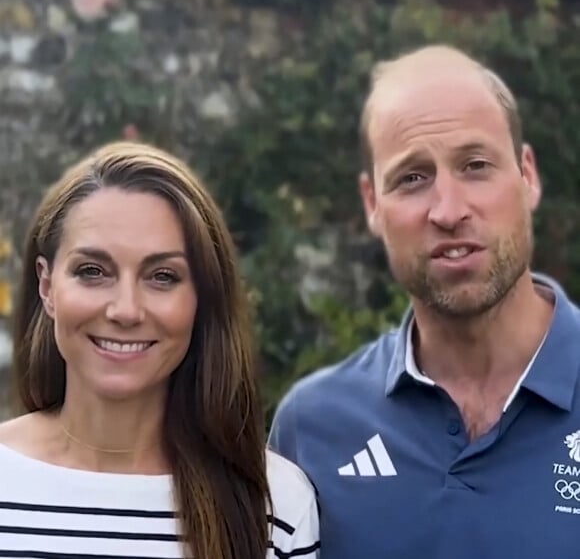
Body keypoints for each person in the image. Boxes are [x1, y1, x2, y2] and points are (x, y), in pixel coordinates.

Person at [269, 44, 580, 558]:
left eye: (476, 165)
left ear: (528, 175)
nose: (448, 209)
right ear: (372, 204)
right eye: (413, 177)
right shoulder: (312, 430)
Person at [0, 141, 320, 559]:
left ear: (201, 299)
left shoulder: (274, 505)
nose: (126, 310)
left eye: (163, 276)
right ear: (47, 286)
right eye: (92, 271)